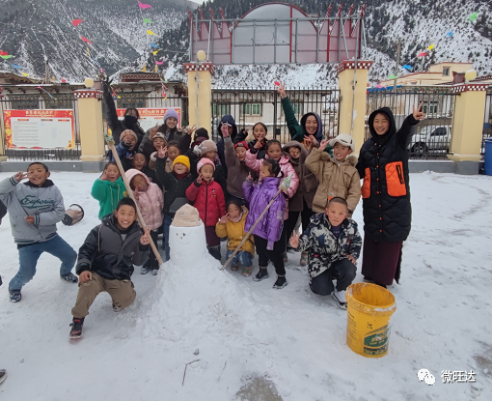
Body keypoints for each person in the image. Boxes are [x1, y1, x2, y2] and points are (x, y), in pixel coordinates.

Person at [356, 104, 426, 288]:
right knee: (373, 238)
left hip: (395, 203)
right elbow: (359, 171)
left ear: (390, 123)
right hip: (372, 201)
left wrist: (412, 119)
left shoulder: (398, 141)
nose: (379, 125)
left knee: (390, 239)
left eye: (383, 121)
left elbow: (407, 131)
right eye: (376, 121)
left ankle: (383, 279)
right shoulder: (367, 146)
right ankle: (370, 273)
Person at [69, 198, 151, 339]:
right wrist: (83, 269)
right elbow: (86, 250)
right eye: (123, 213)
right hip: (97, 273)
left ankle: (117, 299)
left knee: (127, 299)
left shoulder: (138, 234)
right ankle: (78, 318)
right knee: (87, 286)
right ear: (116, 213)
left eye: (130, 214)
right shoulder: (101, 230)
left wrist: (143, 246)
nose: (126, 217)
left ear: (135, 216)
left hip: (119, 276)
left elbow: (138, 261)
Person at [0, 163, 78, 303]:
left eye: (39, 170)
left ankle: (65, 272)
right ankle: (14, 286)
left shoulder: (53, 190)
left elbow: (59, 213)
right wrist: (12, 180)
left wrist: (38, 219)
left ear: (47, 174)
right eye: (31, 171)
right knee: (27, 274)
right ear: (27, 174)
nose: (35, 173)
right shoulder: (15, 190)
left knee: (71, 256)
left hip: (50, 237)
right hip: (26, 241)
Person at [290, 198, 362, 309]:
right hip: (320, 262)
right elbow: (306, 240)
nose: (336, 216)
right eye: (333, 212)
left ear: (346, 214)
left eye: (340, 213)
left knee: (350, 268)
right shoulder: (316, 224)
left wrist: (354, 254)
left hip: (340, 258)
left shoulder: (351, 226)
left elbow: (357, 241)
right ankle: (316, 281)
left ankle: (341, 289)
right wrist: (297, 244)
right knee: (323, 290)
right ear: (327, 211)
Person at [245, 138, 299, 262]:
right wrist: (253, 150)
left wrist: (285, 192)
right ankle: (266, 253)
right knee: (264, 230)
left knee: (279, 231)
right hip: (264, 204)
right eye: (272, 151)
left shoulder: (286, 165)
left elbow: (294, 180)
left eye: (277, 150)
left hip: (279, 205)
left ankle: (280, 252)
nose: (275, 153)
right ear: (267, 152)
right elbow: (251, 162)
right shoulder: (264, 163)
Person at [243, 159, 288, 289]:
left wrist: (272, 236)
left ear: (272, 175)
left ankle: (281, 276)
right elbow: (250, 198)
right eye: (260, 171)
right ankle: (263, 270)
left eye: (264, 171)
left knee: (273, 254)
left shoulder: (275, 193)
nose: (260, 173)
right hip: (257, 227)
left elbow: (276, 218)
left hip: (267, 230)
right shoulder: (259, 186)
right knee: (260, 251)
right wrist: (248, 184)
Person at [305, 133, 362, 216]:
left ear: (349, 151)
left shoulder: (352, 171)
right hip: (321, 210)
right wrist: (320, 149)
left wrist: (346, 209)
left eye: (343, 148)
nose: (339, 150)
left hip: (340, 214)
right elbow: (309, 162)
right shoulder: (325, 165)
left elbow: (355, 193)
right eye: (337, 147)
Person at [282, 140, 319, 266]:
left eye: (296, 148)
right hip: (293, 201)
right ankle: (283, 249)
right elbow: (285, 181)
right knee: (289, 225)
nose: (294, 152)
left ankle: (306, 252)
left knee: (308, 227)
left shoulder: (308, 162)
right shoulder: (287, 165)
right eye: (290, 150)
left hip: (308, 201)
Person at [186, 158, 226, 260]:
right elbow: (190, 196)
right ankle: (200, 260)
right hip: (198, 222)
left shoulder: (217, 187)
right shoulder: (196, 185)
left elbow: (221, 203)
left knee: (213, 242)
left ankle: (216, 260)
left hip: (213, 222)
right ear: (199, 172)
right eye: (205, 171)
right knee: (200, 241)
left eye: (210, 171)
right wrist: (196, 184)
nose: (208, 174)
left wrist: (223, 217)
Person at [155, 151, 194, 261]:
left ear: (187, 168)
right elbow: (159, 174)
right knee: (169, 240)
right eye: (177, 164)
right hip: (170, 215)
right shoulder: (169, 178)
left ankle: (182, 260)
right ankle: (169, 261)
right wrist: (161, 159)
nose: (180, 166)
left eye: (183, 164)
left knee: (184, 240)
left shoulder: (190, 180)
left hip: (185, 217)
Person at [125, 169, 164, 275]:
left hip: (156, 221)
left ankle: (154, 262)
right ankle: (148, 262)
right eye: (137, 183)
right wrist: (136, 199)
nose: (141, 183)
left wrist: (162, 212)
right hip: (145, 224)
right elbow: (136, 211)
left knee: (154, 243)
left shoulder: (154, 187)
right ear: (133, 186)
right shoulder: (134, 197)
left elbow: (161, 200)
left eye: (141, 180)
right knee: (146, 244)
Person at [278, 83, 332, 154]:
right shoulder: (299, 135)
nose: (311, 125)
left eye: (315, 122)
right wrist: (284, 97)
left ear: (319, 124)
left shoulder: (324, 141)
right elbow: (291, 118)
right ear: (304, 123)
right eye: (308, 122)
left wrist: (317, 145)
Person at [216, 199, 255, 277]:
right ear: (227, 212)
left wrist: (253, 243)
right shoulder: (227, 221)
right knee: (230, 257)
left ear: (240, 209)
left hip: (245, 245)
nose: (233, 213)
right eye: (230, 211)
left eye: (236, 209)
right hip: (233, 246)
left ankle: (248, 266)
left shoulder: (247, 218)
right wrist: (221, 224)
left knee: (243, 256)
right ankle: (235, 262)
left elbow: (253, 233)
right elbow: (221, 234)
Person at [102, 78, 145, 147]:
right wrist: (107, 94)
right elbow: (111, 110)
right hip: (118, 155)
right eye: (129, 114)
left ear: (137, 118)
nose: (131, 116)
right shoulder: (116, 124)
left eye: (134, 115)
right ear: (125, 115)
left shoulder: (139, 131)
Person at [221, 124, 252, 205]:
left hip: (247, 195)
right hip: (233, 195)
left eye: (242, 151)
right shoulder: (232, 161)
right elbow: (229, 150)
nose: (240, 154)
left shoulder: (251, 162)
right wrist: (227, 138)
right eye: (237, 151)